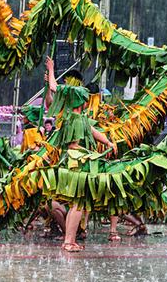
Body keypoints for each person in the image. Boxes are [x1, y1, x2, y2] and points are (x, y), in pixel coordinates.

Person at [43, 56, 117, 252]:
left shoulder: (78, 117)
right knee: (78, 203)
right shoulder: (70, 114)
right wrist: (51, 69)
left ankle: (70, 239)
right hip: (76, 162)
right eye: (84, 99)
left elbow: (93, 131)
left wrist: (108, 141)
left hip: (79, 160)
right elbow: (54, 89)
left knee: (80, 204)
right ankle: (68, 241)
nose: (86, 101)